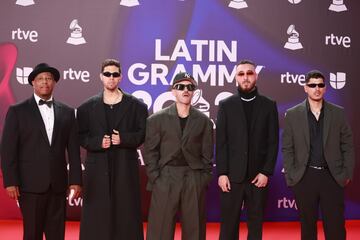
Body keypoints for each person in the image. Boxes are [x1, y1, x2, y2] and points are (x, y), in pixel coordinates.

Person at [0, 63, 82, 240]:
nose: (45, 82)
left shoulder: (67, 112)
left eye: (49, 78)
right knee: (32, 234)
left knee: (57, 234)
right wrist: (10, 181)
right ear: (33, 83)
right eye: (40, 79)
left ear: (54, 83)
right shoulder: (17, 111)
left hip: (58, 185)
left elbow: (74, 150)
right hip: (29, 186)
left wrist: (75, 180)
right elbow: (8, 149)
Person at [77, 59, 148, 240]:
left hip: (125, 167)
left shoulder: (137, 106)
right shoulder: (86, 107)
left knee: (126, 213)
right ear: (101, 77)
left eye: (115, 74)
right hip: (97, 169)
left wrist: (123, 139)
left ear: (120, 77)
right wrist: (97, 143)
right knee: (96, 215)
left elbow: (143, 134)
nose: (111, 78)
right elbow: (80, 136)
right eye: (107, 74)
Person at [282, 70, 354, 240]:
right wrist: (293, 175)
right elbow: (287, 147)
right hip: (305, 178)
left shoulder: (338, 113)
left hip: (332, 177)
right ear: (305, 88)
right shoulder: (293, 114)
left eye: (320, 85)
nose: (317, 88)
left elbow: (348, 145)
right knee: (307, 229)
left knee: (335, 227)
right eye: (312, 85)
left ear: (325, 88)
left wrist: (346, 174)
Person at [144, 72, 213, 240]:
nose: (186, 90)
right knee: (160, 230)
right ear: (173, 91)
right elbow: (150, 152)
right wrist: (156, 178)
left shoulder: (204, 121)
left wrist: (202, 179)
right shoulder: (156, 119)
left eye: (190, 87)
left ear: (194, 91)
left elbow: (207, 155)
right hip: (165, 177)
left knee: (194, 231)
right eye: (181, 87)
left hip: (193, 177)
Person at [216, 60, 279, 240]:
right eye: (241, 74)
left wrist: (266, 172)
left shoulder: (269, 105)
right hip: (231, 178)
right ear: (236, 78)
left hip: (257, 177)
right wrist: (222, 173)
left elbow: (273, 141)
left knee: (255, 225)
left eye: (249, 73)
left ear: (256, 76)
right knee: (228, 225)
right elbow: (221, 142)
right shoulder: (226, 105)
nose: (245, 77)